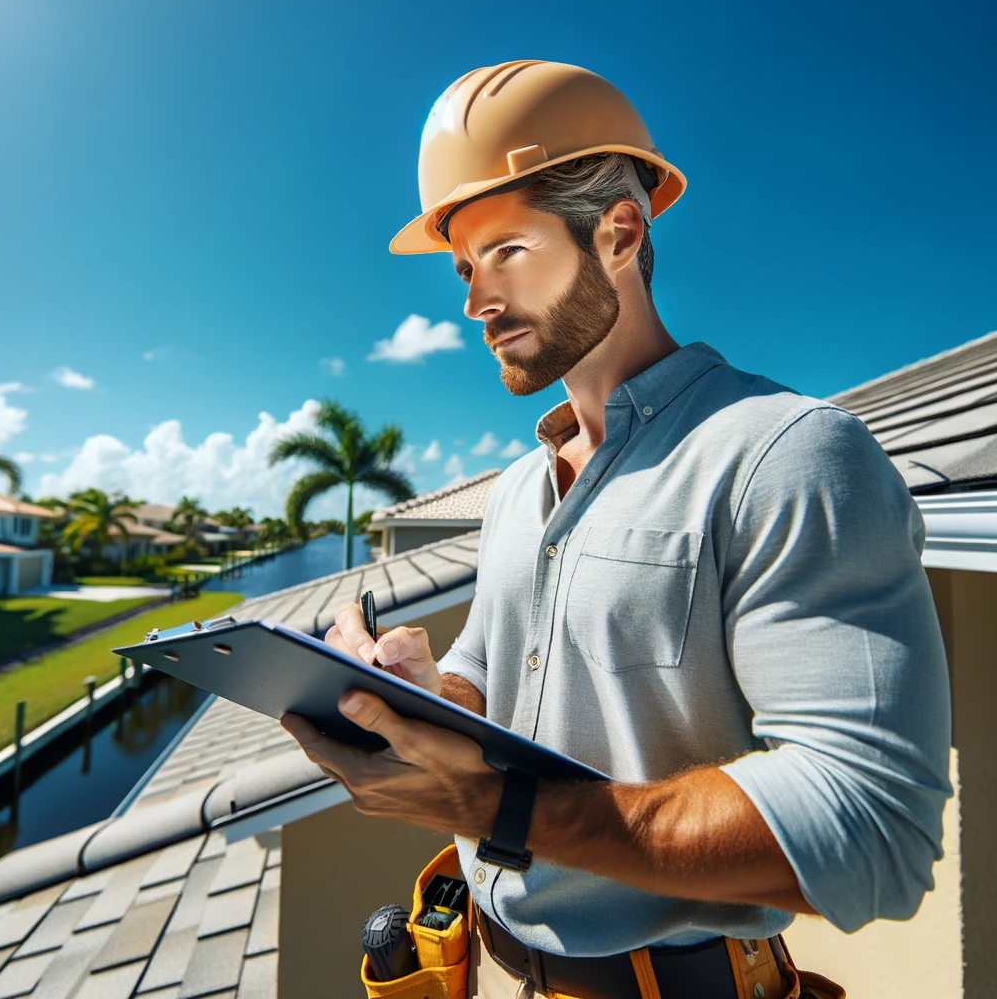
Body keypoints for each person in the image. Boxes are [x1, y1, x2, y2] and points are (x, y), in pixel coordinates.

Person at [281, 61, 952, 999]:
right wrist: (424, 693)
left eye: (506, 252)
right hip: (483, 969)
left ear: (620, 233)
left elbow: (874, 831)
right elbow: (496, 681)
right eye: (466, 267)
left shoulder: (785, 456)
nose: (474, 301)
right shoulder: (519, 491)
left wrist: (502, 807)